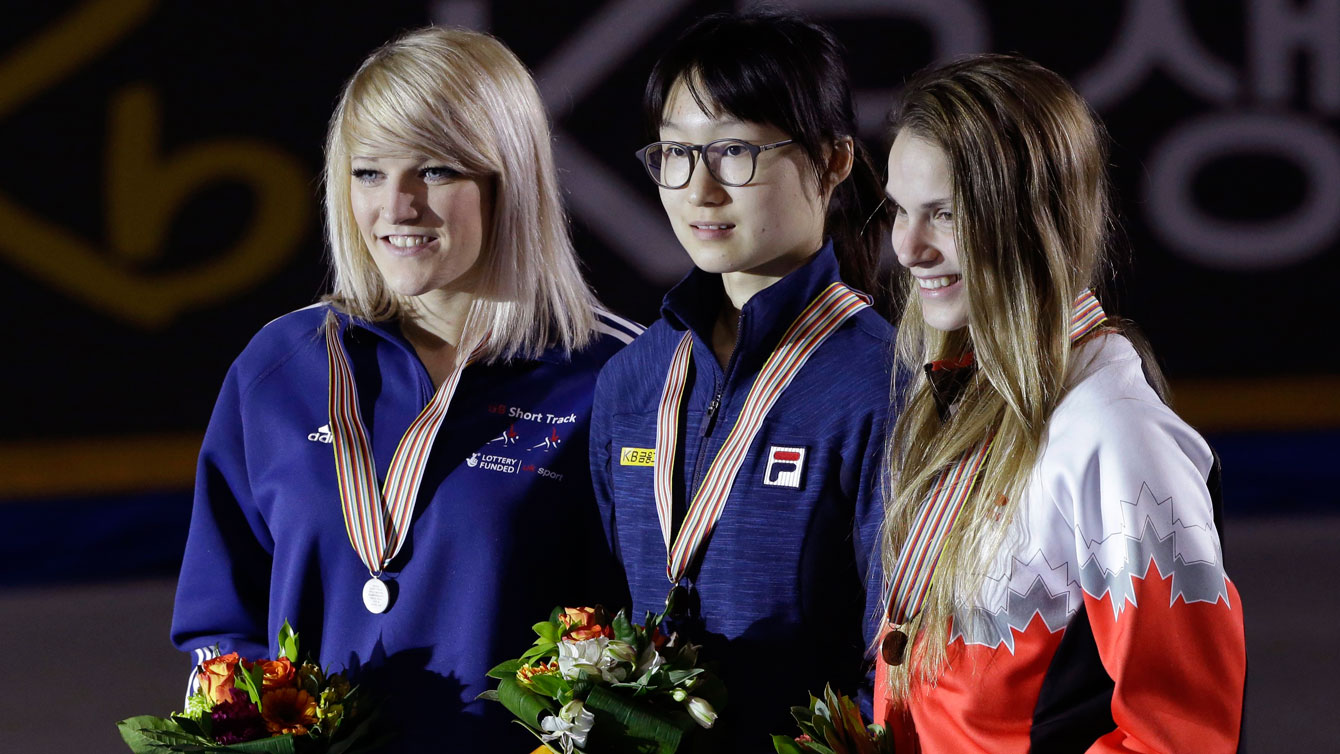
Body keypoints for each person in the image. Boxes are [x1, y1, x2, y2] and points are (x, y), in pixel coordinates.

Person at [170, 26, 640, 751]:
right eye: (368, 173)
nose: (397, 206)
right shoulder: (279, 366)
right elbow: (219, 621)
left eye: (437, 170)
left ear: (508, 179)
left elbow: (651, 645)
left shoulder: (616, 376)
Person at [874, 53, 1246, 752]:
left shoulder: (1114, 435)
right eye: (900, 209)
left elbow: (1181, 738)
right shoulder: (963, 394)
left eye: (945, 214)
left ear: (1031, 221)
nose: (908, 247)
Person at [589, 11, 896, 748]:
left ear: (833, 161)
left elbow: (899, 661)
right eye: (674, 154)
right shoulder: (633, 380)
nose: (700, 190)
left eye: (734, 152)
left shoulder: (884, 382)